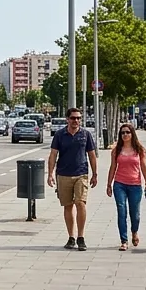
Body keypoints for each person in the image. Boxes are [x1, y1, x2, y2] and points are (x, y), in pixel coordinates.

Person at [47, 107, 98, 252]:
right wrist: (50, 174)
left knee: (80, 203)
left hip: (81, 174)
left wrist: (95, 174)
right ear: (67, 119)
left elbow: (92, 155)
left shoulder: (86, 135)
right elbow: (53, 155)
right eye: (73, 118)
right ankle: (71, 237)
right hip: (63, 174)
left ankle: (81, 237)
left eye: (78, 118)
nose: (76, 120)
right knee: (68, 205)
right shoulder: (59, 135)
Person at [105, 122, 146, 251]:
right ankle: (124, 240)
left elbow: (143, 167)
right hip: (119, 184)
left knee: (134, 214)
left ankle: (134, 232)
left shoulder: (139, 149)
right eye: (123, 133)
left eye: (127, 132)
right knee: (121, 210)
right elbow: (113, 167)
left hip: (135, 185)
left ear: (132, 134)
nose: (125, 135)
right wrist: (109, 184)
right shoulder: (116, 150)